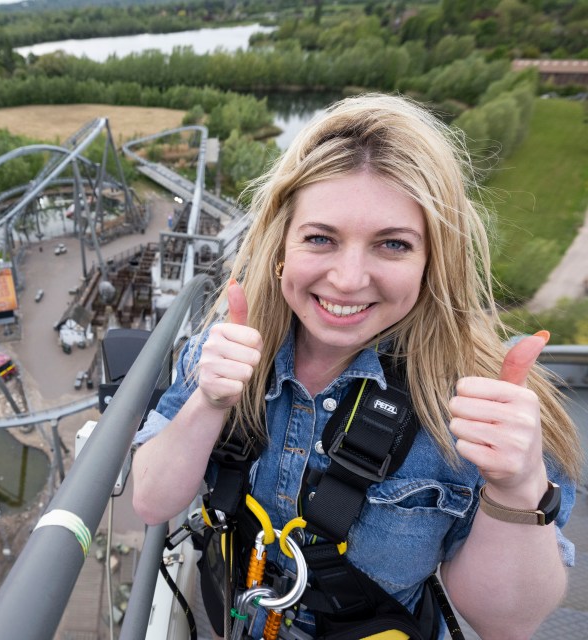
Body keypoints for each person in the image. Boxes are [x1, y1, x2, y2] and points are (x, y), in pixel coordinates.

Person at [131, 94, 581, 639]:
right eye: (321, 238)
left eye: (392, 245)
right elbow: (152, 500)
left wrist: (516, 486)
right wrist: (209, 402)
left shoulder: (481, 405)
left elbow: (505, 623)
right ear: (281, 247)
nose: (347, 279)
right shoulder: (225, 351)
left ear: (432, 263)